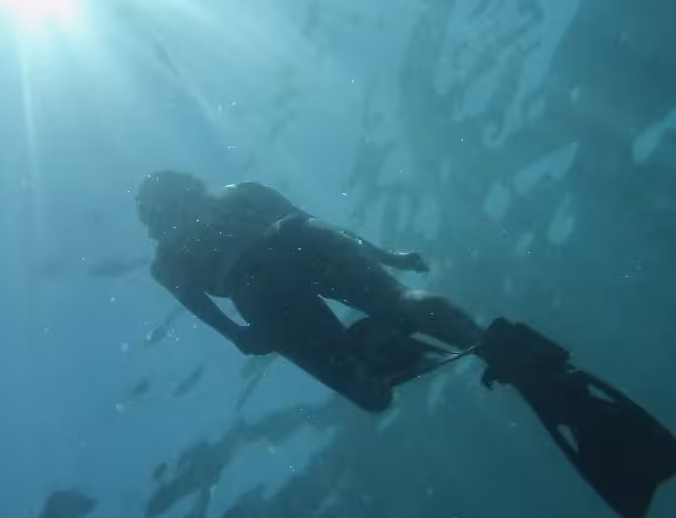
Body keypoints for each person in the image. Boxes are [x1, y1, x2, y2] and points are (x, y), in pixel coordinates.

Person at [136, 171, 482, 412]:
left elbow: (200, 306)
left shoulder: (167, 258)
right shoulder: (241, 193)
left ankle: (370, 342)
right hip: (296, 239)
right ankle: (481, 341)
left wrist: (237, 335)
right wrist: (389, 256)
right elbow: (316, 223)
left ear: (151, 219)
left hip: (253, 286)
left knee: (371, 393)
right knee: (403, 303)